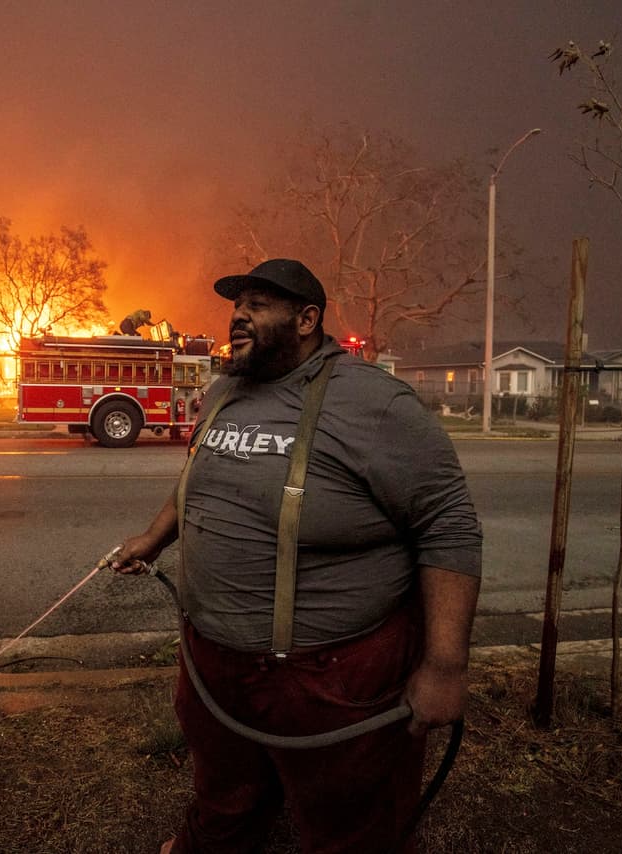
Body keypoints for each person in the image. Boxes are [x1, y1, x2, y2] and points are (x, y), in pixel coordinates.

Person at [109, 258, 482, 854]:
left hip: (328, 679)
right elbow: (196, 481)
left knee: (345, 820)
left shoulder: (376, 404)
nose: (238, 317)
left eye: (258, 305)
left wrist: (444, 667)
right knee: (225, 792)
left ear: (307, 319)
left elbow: (450, 526)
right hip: (213, 665)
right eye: (236, 306)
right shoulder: (224, 391)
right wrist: (154, 537)